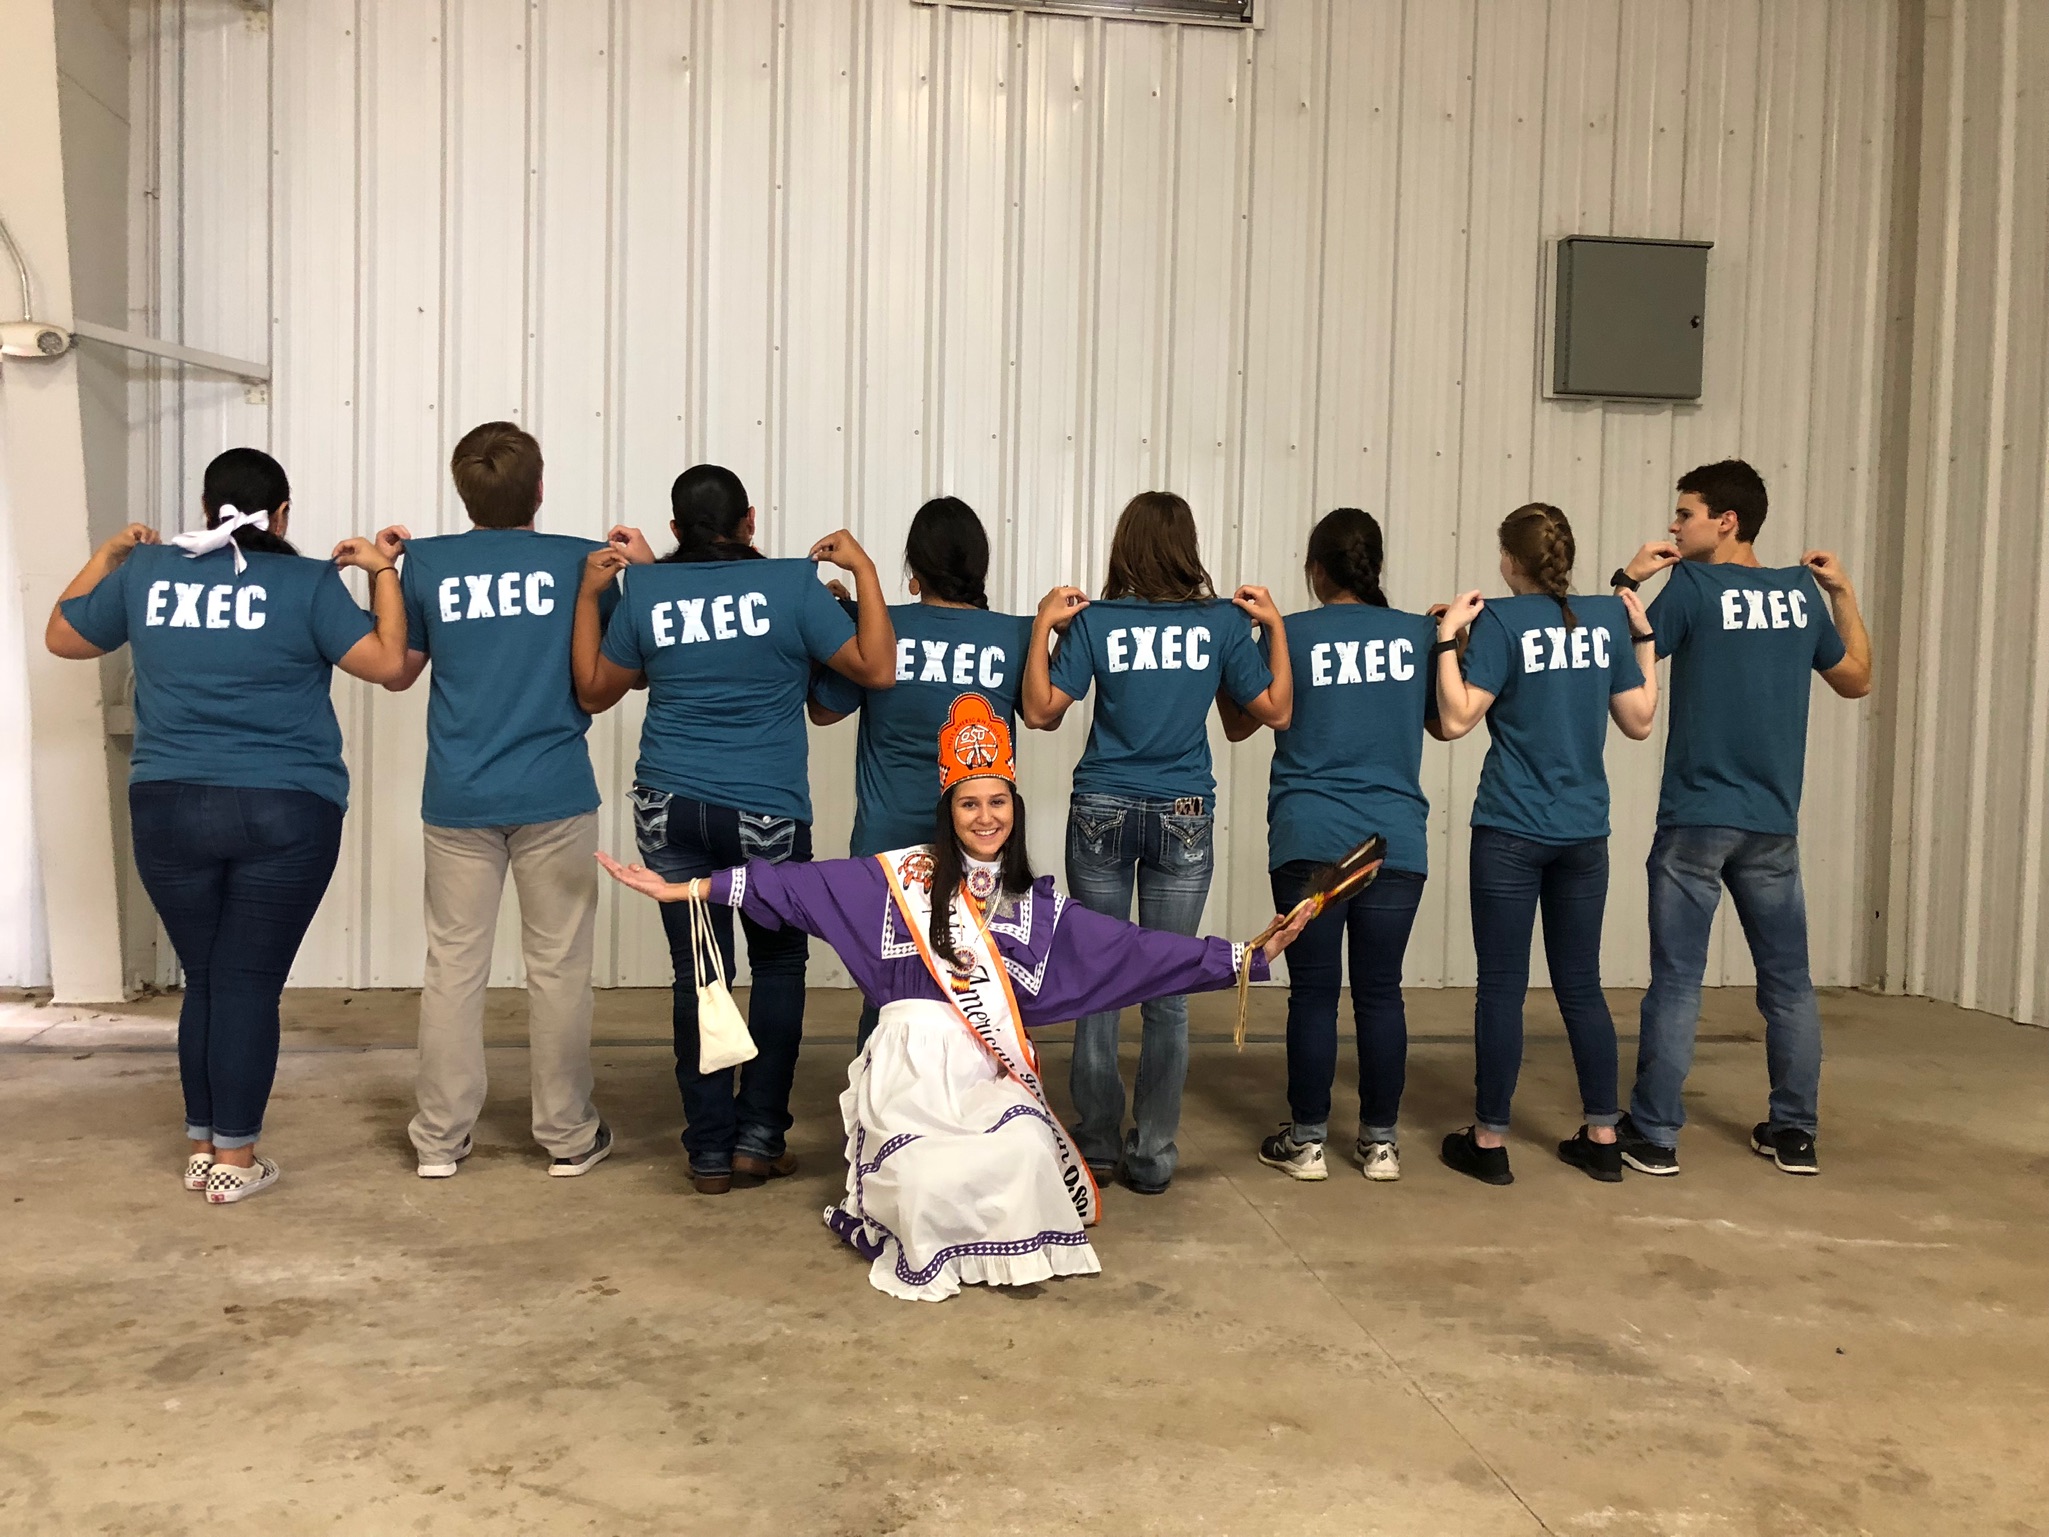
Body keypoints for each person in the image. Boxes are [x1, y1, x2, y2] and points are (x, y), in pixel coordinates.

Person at [595, 692, 1313, 1301]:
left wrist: (1243, 956)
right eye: (969, 802)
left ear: (1014, 805)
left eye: (997, 800)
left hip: (982, 1071)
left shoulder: (1037, 908)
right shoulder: (898, 877)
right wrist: (684, 885)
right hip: (908, 1072)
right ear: (950, 807)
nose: (985, 815)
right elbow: (793, 888)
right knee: (925, 1178)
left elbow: (1132, 949)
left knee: (1029, 1151)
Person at [43, 447, 407, 1202]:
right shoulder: (308, 581)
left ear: (207, 507)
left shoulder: (146, 573)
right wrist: (381, 572)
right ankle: (235, 1162)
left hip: (168, 806)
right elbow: (387, 660)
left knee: (207, 977)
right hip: (285, 807)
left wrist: (107, 554)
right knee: (246, 982)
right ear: (282, 515)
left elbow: (64, 635)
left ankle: (206, 1142)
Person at [572, 464, 897, 1194]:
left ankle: (708, 1150)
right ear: (750, 518)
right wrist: (866, 571)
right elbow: (875, 667)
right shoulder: (790, 585)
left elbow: (594, 689)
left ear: (676, 526)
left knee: (700, 971)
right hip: (766, 813)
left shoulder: (647, 590)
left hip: (668, 805)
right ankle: (758, 1137)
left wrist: (596, 596)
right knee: (777, 967)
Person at [1020, 491, 1292, 1195]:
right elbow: (1271, 713)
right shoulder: (1222, 623)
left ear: (1125, 546)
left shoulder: (1095, 620)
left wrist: (1042, 629)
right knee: (1167, 984)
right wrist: (1275, 629)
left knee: (1098, 979)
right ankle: (1154, 1155)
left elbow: (1042, 712)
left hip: (1101, 807)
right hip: (1183, 811)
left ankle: (1098, 1145)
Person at [1612, 459, 1871, 1177]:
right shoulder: (1798, 594)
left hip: (1695, 817)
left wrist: (1628, 582)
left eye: (1685, 513)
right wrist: (1841, 593)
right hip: (1771, 824)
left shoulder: (1690, 589)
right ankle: (1793, 1133)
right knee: (1786, 983)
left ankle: (1656, 1134)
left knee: (1677, 979)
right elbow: (1856, 675)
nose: (1673, 523)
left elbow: (1618, 650)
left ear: (1724, 521)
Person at [372, 421, 615, 1181]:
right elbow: (596, 678)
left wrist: (382, 571)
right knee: (559, 968)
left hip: (459, 794)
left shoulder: (426, 564)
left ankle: (439, 1138)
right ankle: (568, 1135)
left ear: (462, 490)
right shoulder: (584, 563)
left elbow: (399, 670)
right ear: (539, 489)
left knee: (452, 965)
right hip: (554, 788)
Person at [1431, 503, 1658, 1185]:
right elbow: (1639, 721)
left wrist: (1447, 639)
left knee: (1501, 985)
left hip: (1509, 827)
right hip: (1584, 831)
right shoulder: (1606, 618)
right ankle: (1601, 1133)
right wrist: (1642, 640)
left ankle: (1490, 1140)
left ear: (1509, 561)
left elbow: (1455, 719)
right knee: (1580, 983)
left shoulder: (1498, 621)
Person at [1219, 509, 1436, 1183]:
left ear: (1315, 569)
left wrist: (1250, 640)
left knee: (1312, 993)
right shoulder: (1415, 635)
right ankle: (1379, 1145)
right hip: (1392, 840)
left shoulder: (1291, 636)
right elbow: (1438, 715)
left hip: (1308, 838)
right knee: (1380, 992)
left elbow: (1236, 725)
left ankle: (1307, 1141)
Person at [807, 497, 1032, 1050]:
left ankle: (881, 1116)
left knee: (887, 991)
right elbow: (1045, 710)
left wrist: (844, 618)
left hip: (886, 841)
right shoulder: (1016, 636)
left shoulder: (879, 629)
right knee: (974, 983)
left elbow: (824, 709)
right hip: (978, 838)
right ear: (978, 565)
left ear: (915, 571)